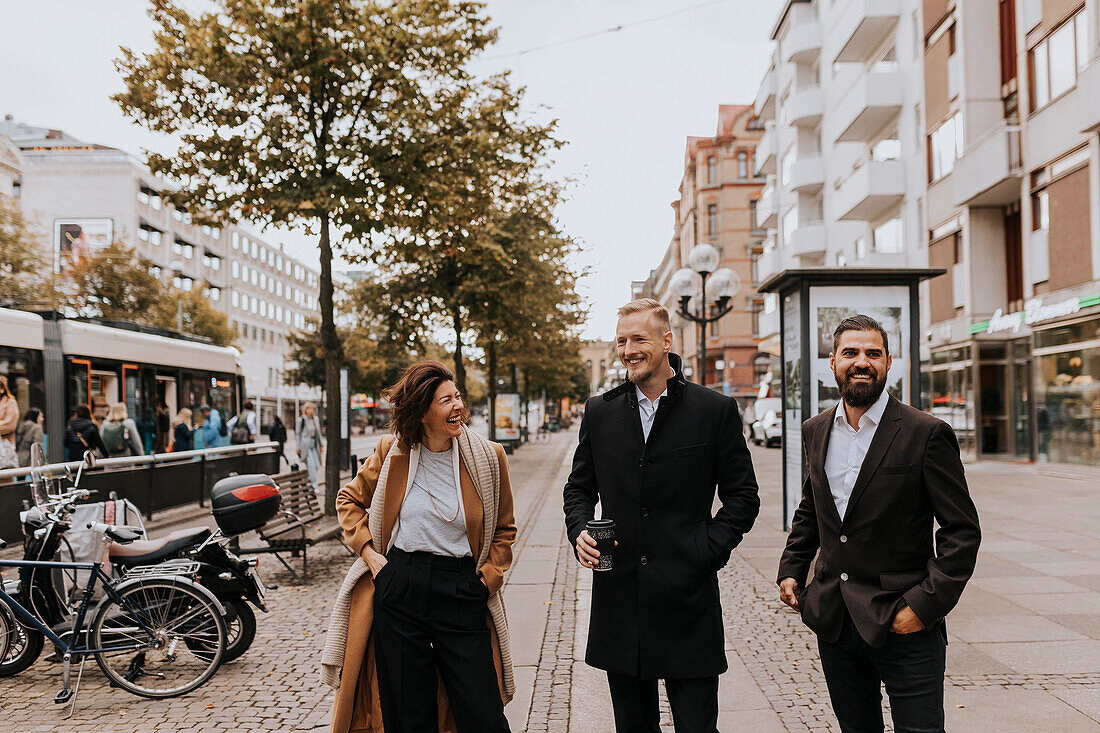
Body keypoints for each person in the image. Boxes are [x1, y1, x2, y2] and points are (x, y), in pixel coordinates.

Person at [563, 298, 761, 733]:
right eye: (621, 340)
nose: (628, 349)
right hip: (621, 603)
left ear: (667, 341)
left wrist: (706, 549)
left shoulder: (714, 411)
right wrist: (579, 529)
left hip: (687, 602)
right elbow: (579, 488)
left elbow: (743, 497)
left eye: (639, 339)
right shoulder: (600, 412)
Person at [777, 314, 981, 733]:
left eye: (873, 353)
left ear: (889, 362)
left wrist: (923, 606)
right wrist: (792, 569)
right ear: (832, 361)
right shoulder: (815, 431)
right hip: (835, 620)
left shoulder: (926, 433)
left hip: (903, 620)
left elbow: (961, 531)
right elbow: (812, 508)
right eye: (850, 352)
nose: (861, 361)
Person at [323, 361, 516, 733]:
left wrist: (486, 581)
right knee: (408, 715)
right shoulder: (391, 453)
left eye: (457, 396)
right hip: (401, 585)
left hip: (461, 587)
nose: (458, 405)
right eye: (446, 400)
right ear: (423, 412)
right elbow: (348, 501)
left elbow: (504, 529)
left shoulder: (488, 457)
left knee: (482, 713)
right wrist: (371, 555)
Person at [296, 402, 323, 489]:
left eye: (312, 409)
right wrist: (298, 447)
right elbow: (298, 434)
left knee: (316, 465)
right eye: (309, 409)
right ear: (305, 410)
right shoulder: (301, 420)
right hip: (305, 446)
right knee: (311, 465)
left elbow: (319, 433)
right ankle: (314, 485)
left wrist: (321, 445)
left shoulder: (315, 419)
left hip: (314, 445)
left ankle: (308, 479)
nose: (311, 411)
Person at [0, 376, 19, 471]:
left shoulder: (10, 402)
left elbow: (9, 425)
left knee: (5, 482)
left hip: (4, 451)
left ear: (2, 389)